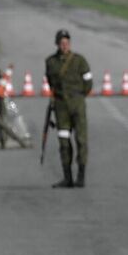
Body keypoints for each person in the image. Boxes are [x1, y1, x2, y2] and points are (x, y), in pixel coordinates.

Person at [44, 29, 92, 188]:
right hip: (60, 107)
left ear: (69, 43)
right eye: (61, 43)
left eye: (66, 42)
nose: (64, 45)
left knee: (81, 140)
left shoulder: (80, 61)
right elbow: (51, 82)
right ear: (57, 44)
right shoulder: (50, 62)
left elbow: (88, 83)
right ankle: (67, 178)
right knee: (64, 142)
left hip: (77, 105)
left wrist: (78, 96)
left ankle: (81, 177)